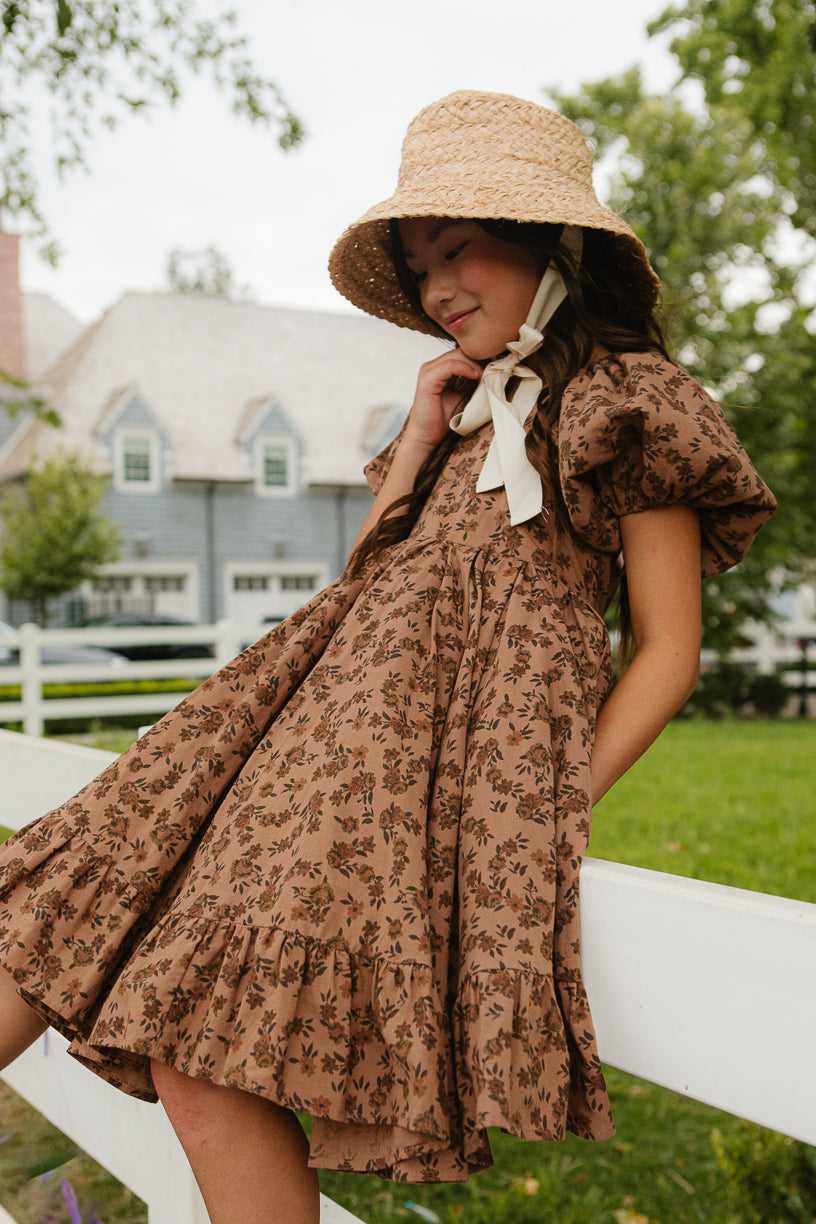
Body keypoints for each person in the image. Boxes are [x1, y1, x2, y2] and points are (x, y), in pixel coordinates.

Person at [0, 91, 775, 1223]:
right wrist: (418, 436)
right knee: (59, 893)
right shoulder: (460, 416)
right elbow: (367, 585)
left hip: (410, 773)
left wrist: (550, 804)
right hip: (298, 720)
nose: (438, 289)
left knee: (201, 1052)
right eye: (421, 268)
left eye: (459, 251)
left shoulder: (631, 402)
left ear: (550, 244)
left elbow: (668, 651)